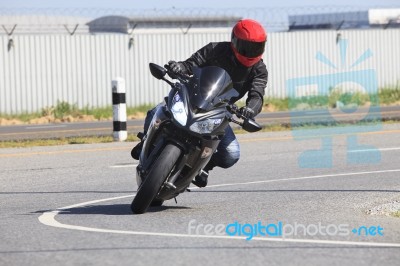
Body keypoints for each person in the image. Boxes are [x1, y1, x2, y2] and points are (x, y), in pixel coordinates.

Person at [131, 18, 268, 188]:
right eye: (246, 47)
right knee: (156, 112)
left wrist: (250, 109)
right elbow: (191, 63)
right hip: (193, 97)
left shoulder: (259, 70)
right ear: (234, 41)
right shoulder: (216, 49)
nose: (250, 52)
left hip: (219, 111)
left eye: (256, 47)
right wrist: (178, 67)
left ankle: (202, 168)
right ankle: (146, 141)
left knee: (231, 154)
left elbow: (257, 95)